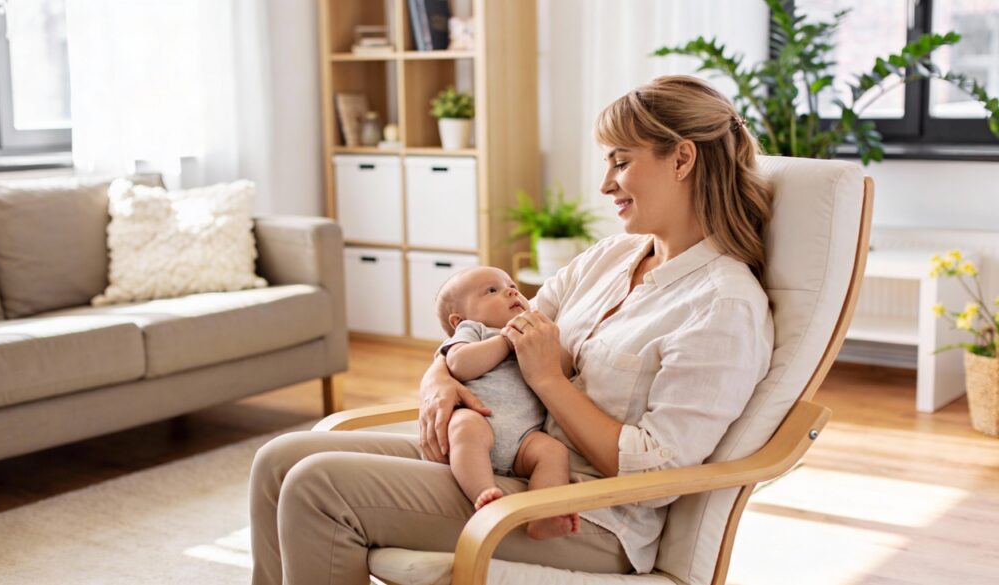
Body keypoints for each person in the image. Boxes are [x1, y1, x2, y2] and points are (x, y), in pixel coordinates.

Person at [249, 75, 775, 585]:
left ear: (682, 158)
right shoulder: (610, 257)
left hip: (582, 513)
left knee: (318, 487)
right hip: (503, 458)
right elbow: (499, 329)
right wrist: (439, 372)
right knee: (277, 462)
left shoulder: (723, 305)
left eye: (621, 162)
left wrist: (550, 382)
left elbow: (657, 471)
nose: (605, 183)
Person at [435, 265, 578, 539]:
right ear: (458, 320)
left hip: (525, 439)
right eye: (492, 290)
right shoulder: (473, 331)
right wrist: (505, 340)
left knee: (553, 453)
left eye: (512, 285)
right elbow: (459, 364)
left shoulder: (531, 334)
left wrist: (550, 343)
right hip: (482, 421)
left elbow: (565, 369)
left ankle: (542, 515)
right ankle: (484, 494)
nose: (511, 291)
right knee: (464, 426)